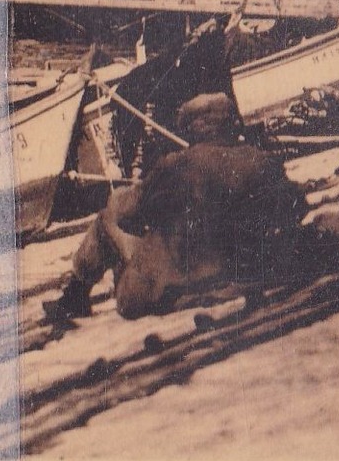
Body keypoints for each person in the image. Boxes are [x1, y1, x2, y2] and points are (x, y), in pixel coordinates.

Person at [44, 94, 308, 323]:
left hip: (170, 289)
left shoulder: (175, 165)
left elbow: (127, 213)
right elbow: (297, 205)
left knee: (108, 216)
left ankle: (74, 297)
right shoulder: (260, 161)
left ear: (193, 128)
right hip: (237, 274)